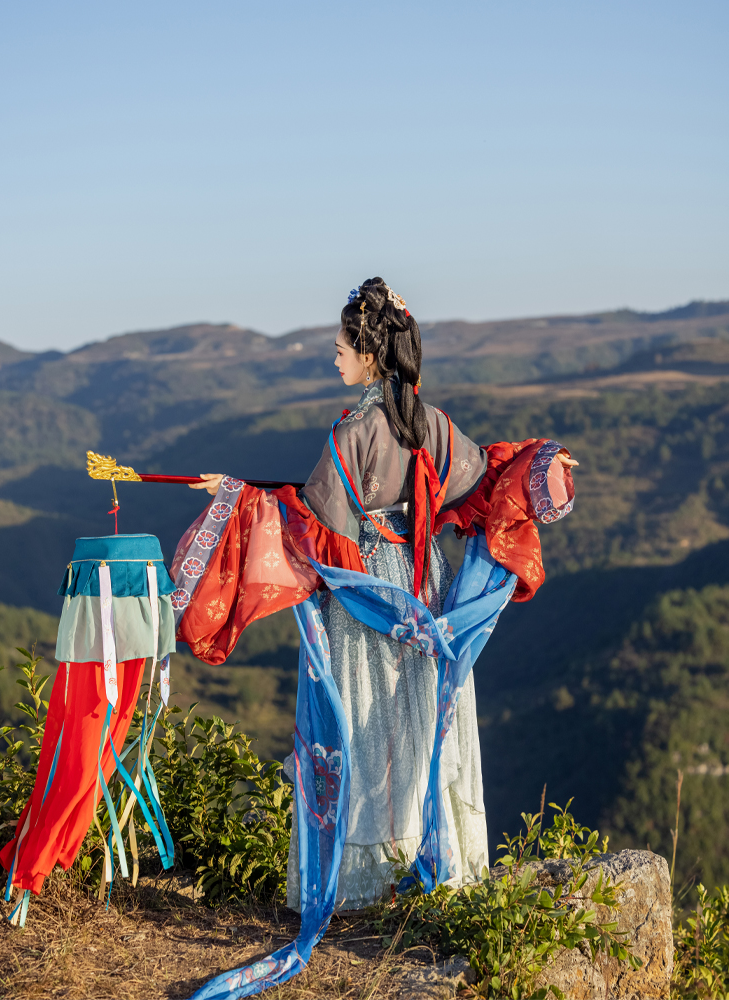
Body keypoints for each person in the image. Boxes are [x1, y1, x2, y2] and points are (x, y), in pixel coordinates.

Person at [175, 277, 576, 998]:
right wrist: (544, 462)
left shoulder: (351, 431)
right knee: (419, 719)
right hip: (419, 581)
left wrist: (239, 496)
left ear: (367, 352)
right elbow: (490, 483)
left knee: (362, 724)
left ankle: (367, 877)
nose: (333, 361)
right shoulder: (432, 425)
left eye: (339, 350)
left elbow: (313, 525)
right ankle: (432, 862)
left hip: (366, 584)